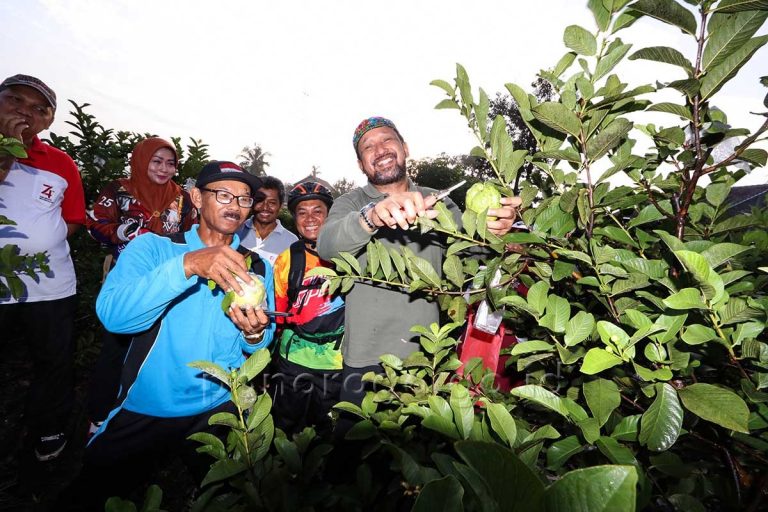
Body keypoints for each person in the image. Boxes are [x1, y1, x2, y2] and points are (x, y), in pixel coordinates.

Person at [74, 161, 276, 505]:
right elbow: (115, 317)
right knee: (90, 497)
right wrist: (188, 265)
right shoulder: (152, 249)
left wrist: (255, 334)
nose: (235, 205)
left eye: (244, 199)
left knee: (230, 499)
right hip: (149, 404)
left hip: (218, 406)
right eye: (224, 194)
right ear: (196, 197)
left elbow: (259, 342)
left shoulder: (257, 267)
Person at [316, 116, 521, 406]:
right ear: (361, 164)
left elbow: (473, 254)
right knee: (359, 434)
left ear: (405, 148)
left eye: (387, 139)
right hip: (364, 360)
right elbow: (327, 246)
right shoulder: (350, 203)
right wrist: (371, 216)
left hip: (426, 358)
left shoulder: (437, 200)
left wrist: (495, 231)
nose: (380, 149)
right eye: (368, 147)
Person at [85, 136, 198, 433]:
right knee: (116, 345)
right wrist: (121, 232)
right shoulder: (119, 190)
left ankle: (143, 411)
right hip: (128, 279)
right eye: (156, 161)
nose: (163, 169)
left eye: (170, 163)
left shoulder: (182, 198)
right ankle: (99, 414)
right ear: (141, 160)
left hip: (169, 282)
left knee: (155, 344)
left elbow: (191, 235)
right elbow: (94, 225)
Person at [0, 74, 86, 461]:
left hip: (50, 284)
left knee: (53, 361)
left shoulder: (61, 163)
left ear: (49, 121)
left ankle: (48, 428)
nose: (25, 112)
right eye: (15, 101)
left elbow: (73, 218)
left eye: (38, 109)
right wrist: (6, 152)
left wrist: (43, 240)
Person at [270, 181, 344, 436]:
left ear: (329, 215)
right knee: (284, 429)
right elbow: (278, 315)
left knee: (328, 433)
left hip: (335, 363)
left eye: (317, 211)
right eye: (302, 212)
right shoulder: (287, 259)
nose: (310, 218)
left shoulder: (348, 255)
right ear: (295, 219)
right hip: (293, 361)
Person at [237, 175, 298, 265]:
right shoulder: (236, 232)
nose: (265, 207)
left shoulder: (292, 242)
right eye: (259, 200)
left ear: (280, 206)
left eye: (272, 203)